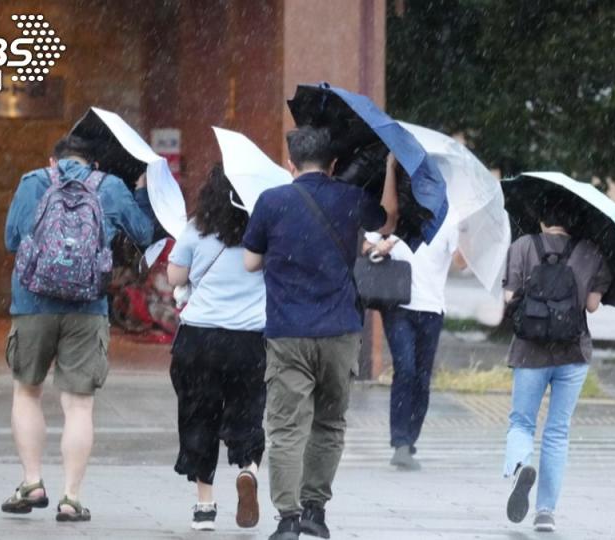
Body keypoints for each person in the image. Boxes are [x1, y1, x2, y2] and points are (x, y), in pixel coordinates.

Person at [243, 127, 398, 540]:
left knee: (286, 428)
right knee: (328, 424)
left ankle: (288, 519)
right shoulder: (350, 199)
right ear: (332, 165)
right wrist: (388, 167)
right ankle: (316, 511)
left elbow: (250, 263)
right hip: (340, 332)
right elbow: (388, 218)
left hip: (287, 332)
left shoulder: (271, 201)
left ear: (290, 163)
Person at [2, 135, 154, 522]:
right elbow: (144, 234)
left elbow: (10, 240)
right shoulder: (110, 187)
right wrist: (141, 194)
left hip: (33, 303)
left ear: (52, 160)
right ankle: (71, 497)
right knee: (79, 404)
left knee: (27, 391)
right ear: (94, 165)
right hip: (88, 307)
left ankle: (32, 481)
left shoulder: (33, 181)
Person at [166, 163, 267, 530]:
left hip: (199, 339)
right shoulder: (263, 230)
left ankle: (205, 507)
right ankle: (248, 469)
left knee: (198, 416)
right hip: (249, 340)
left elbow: (175, 276)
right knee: (248, 411)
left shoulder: (196, 228)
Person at [502, 206, 611, 533]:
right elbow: (591, 305)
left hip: (530, 350)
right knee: (557, 430)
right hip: (573, 350)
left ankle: (521, 466)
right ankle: (546, 512)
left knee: (521, 421)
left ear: (541, 219)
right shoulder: (591, 250)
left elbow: (510, 296)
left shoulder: (523, 245)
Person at [363, 222, 464, 470]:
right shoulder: (397, 214)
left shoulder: (450, 217)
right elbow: (365, 244)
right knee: (405, 367)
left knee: (422, 377)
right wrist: (380, 246)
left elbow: (461, 264)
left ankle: (409, 439)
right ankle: (400, 442)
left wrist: (467, 238)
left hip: (432, 309)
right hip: (398, 305)